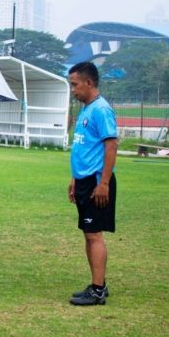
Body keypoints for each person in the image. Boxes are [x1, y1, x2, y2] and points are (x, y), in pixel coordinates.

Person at [67, 62, 118, 306]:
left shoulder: (101, 110)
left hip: (97, 182)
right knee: (89, 235)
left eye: (75, 84)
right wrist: (75, 180)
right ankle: (98, 283)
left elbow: (111, 145)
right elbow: (84, 148)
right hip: (84, 182)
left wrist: (104, 183)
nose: (73, 90)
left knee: (94, 235)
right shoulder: (87, 109)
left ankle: (97, 291)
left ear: (89, 83)